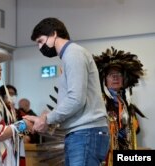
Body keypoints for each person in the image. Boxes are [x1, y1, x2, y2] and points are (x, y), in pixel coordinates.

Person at [24, 17, 110, 166]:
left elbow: (76, 99)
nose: (40, 47)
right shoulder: (69, 56)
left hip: (86, 134)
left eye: (40, 41)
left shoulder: (73, 54)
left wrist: (47, 119)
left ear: (54, 34)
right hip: (81, 134)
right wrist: (45, 120)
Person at [93, 47, 146, 166]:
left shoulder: (127, 103)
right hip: (105, 156)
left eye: (119, 74)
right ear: (104, 80)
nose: (115, 77)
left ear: (124, 79)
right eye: (111, 74)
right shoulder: (98, 102)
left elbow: (135, 130)